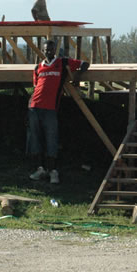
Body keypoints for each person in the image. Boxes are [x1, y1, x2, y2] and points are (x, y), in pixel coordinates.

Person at [28, 40, 89, 184]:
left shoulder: (62, 62)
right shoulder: (38, 67)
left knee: (51, 139)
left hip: (50, 109)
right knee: (35, 138)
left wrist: (78, 77)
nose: (48, 51)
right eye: (45, 49)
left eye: (50, 49)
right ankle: (40, 169)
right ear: (42, 50)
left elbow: (85, 64)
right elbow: (36, 87)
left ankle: (53, 171)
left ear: (55, 49)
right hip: (34, 107)